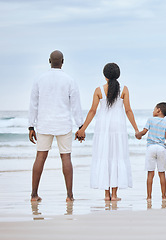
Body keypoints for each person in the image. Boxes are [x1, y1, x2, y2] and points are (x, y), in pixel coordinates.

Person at [75, 63, 139, 201]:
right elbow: (128, 110)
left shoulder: (99, 90)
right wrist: (136, 129)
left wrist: (82, 129)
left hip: (103, 126)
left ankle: (106, 194)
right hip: (118, 126)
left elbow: (92, 111)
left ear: (105, 76)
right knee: (116, 155)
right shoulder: (124, 90)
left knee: (104, 155)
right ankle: (115, 195)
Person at [28, 50, 83, 202]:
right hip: (63, 124)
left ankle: (33, 195)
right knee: (66, 158)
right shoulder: (69, 80)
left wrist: (31, 126)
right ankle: (70, 196)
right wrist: (81, 126)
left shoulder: (39, 79)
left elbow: (33, 104)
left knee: (40, 157)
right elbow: (75, 105)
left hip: (44, 124)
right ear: (63, 61)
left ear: (49, 61)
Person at [135, 102, 166, 200]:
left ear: (158, 110)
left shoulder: (150, 120)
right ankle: (163, 196)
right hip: (161, 148)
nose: (153, 111)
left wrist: (138, 134)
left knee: (150, 173)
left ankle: (149, 197)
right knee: (162, 173)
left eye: (154, 109)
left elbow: (144, 132)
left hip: (150, 148)